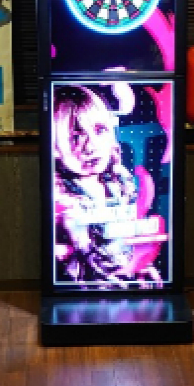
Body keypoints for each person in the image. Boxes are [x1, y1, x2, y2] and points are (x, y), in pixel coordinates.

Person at [52, 85, 150, 286]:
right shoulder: (58, 198)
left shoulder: (120, 181)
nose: (91, 146)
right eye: (76, 136)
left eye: (99, 130)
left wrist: (140, 269)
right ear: (54, 147)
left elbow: (129, 244)